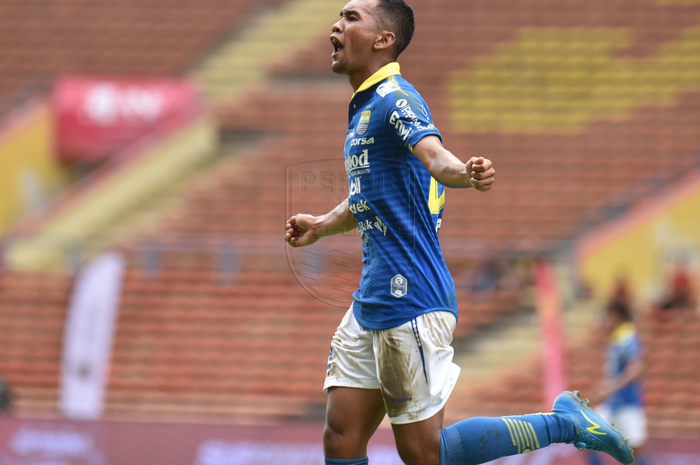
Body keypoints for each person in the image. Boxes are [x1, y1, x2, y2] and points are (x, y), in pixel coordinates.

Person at [284, 1, 634, 464]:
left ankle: (565, 421)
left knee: (426, 454)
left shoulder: (396, 98)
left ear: (383, 40)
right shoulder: (365, 108)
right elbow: (371, 195)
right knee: (341, 437)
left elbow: (435, 157)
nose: (336, 24)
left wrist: (464, 173)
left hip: (411, 298)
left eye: (351, 17)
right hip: (373, 298)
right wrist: (322, 225)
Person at [590, 300, 648, 465]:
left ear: (617, 316)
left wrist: (610, 388)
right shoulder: (618, 338)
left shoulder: (627, 337)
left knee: (634, 452)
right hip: (614, 403)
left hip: (627, 403)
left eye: (608, 316)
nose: (605, 321)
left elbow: (636, 368)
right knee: (585, 434)